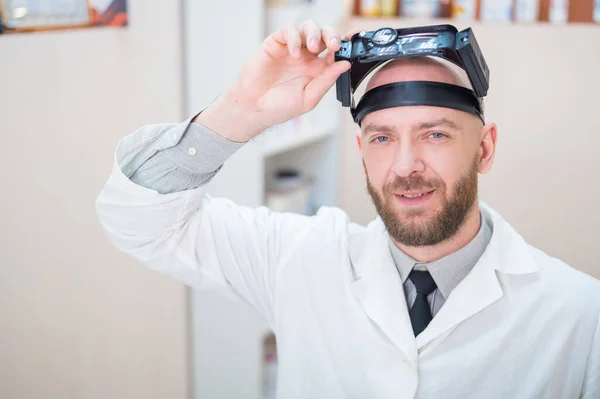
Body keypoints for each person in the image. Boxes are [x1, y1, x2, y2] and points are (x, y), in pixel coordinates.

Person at [95, 20, 599, 398]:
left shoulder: (580, 314)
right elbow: (139, 220)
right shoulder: (297, 257)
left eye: (436, 134)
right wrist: (242, 111)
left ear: (484, 149)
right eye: (382, 137)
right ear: (361, 150)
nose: (405, 166)